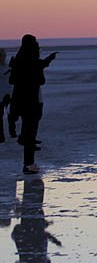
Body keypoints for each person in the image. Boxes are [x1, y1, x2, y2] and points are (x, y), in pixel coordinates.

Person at [9, 35, 57, 174]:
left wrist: (48, 59)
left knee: (28, 132)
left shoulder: (17, 61)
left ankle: (27, 156)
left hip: (19, 101)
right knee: (31, 132)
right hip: (32, 101)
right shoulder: (33, 63)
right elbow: (41, 80)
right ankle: (28, 164)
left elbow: (12, 81)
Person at [0, 47, 10, 143]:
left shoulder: (6, 65)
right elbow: (3, 75)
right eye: (1, 55)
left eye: (4, 55)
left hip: (8, 93)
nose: (3, 57)